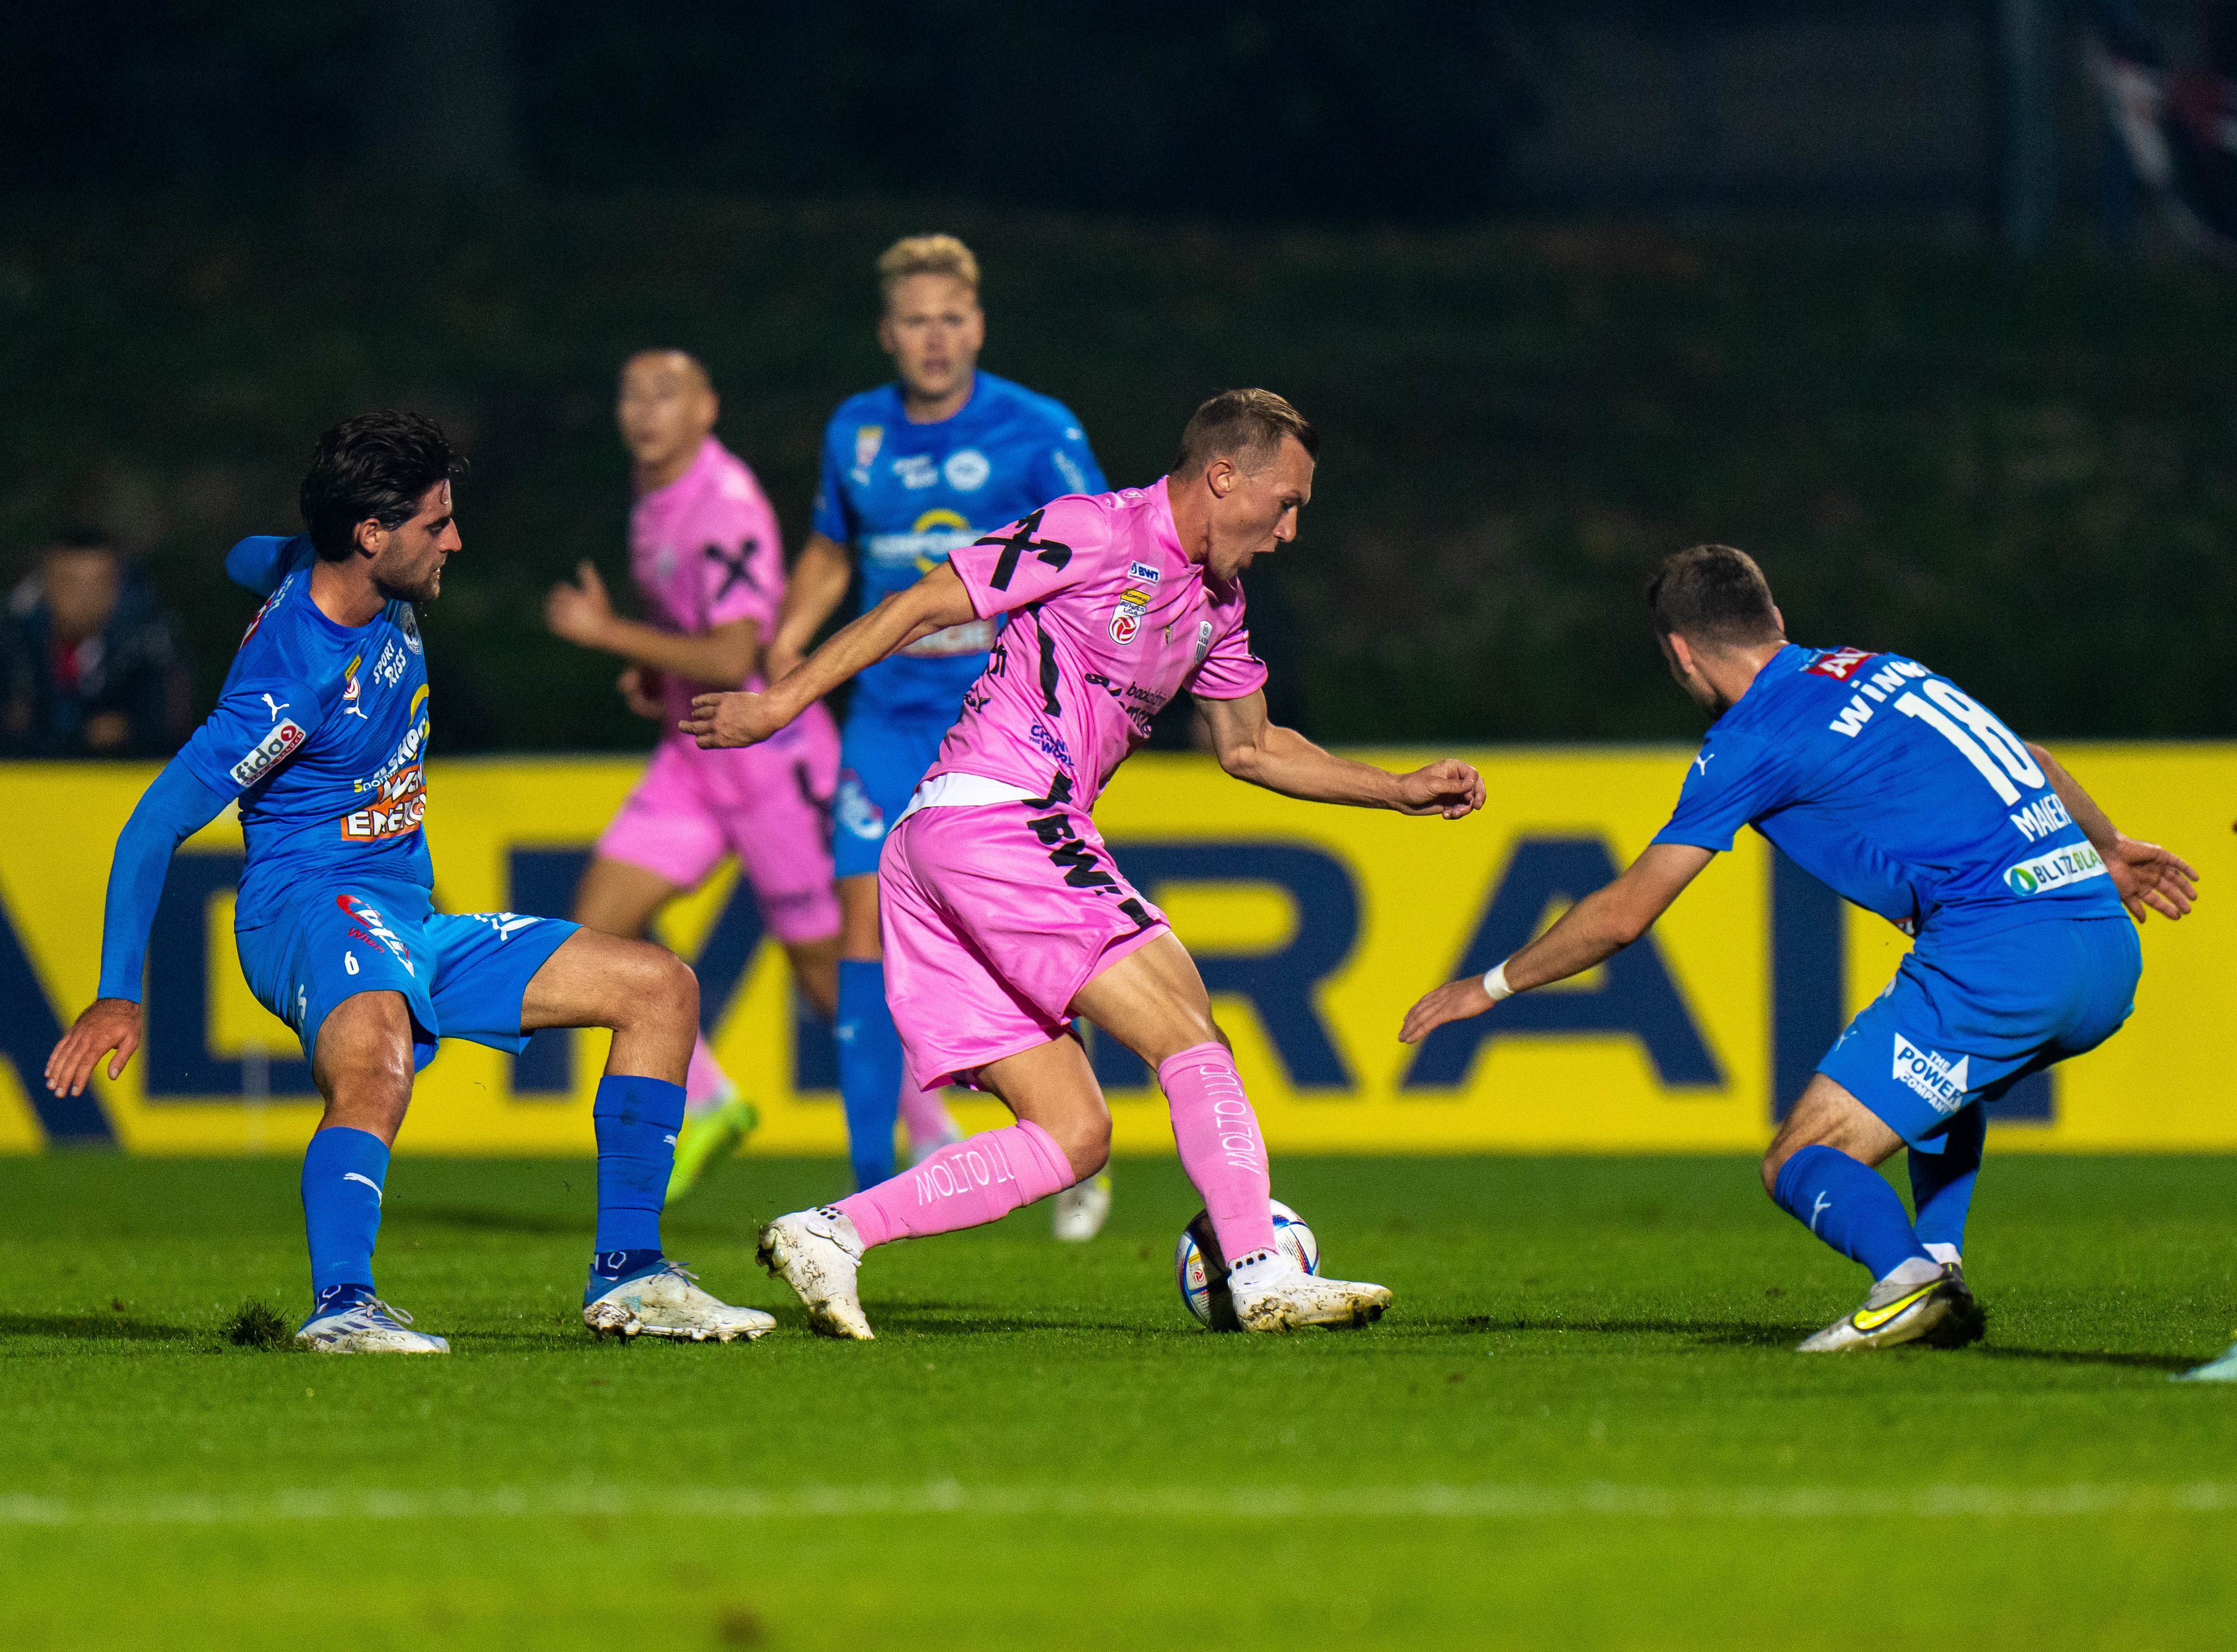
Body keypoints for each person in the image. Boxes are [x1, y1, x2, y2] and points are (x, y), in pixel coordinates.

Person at [685, 389, 1486, 1339]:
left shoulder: (1216, 606)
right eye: (1287, 501)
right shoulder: (1098, 529)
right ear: (1225, 475)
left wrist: (1393, 789)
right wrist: (780, 706)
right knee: (1191, 1029)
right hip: (1001, 816)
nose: (1291, 530)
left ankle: (832, 1232)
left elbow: (1254, 747)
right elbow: (920, 601)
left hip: (949, 846)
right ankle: (1262, 1270)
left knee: (1074, 1133)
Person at [44, 413, 770, 1353]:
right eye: (438, 523)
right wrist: (114, 990)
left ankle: (632, 1274)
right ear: (373, 536)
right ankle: (342, 1304)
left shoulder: (341, 569)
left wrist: (273, 562)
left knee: (659, 986)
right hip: (306, 907)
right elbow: (154, 823)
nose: (456, 540)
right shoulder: (290, 681)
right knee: (377, 1057)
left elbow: (244, 553)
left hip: (402, 915)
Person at [1401, 544, 2197, 1353]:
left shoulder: (1748, 741)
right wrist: (2111, 845)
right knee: (1943, 1086)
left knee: (1800, 1156)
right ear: (1775, 619)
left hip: (2002, 956)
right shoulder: (1884, 667)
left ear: (1679, 651)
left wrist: (1491, 985)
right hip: (2102, 940)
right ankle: (1940, 1261)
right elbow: (2034, 761)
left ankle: (1908, 1281)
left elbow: (1623, 914)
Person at [767, 233, 1118, 1236]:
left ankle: (1073, 1132)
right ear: (888, 332)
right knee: (857, 928)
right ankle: (867, 1178)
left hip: (1004, 720)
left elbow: (1101, 548)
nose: (935, 337)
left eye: (952, 318)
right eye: (916, 320)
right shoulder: (856, 432)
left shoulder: (1038, 429)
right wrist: (787, 647)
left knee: (1024, 936)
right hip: (885, 712)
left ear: (979, 325)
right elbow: (835, 552)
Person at [545, 350, 842, 1200]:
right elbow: (691, 634)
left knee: (826, 974)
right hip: (693, 746)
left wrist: (611, 637)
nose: (645, 410)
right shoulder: (652, 493)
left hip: (764, 754)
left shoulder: (726, 502)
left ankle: (945, 1121)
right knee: (598, 926)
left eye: (666, 393)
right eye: (631, 392)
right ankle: (709, 1098)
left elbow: (733, 652)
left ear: (708, 408)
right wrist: (654, 672)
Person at [1, 528, 190, 757]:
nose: (85, 599)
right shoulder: (14, 641)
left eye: (99, 585)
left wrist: (131, 730)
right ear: (46, 585)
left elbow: (171, 731)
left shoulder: (150, 645)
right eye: (71, 584)